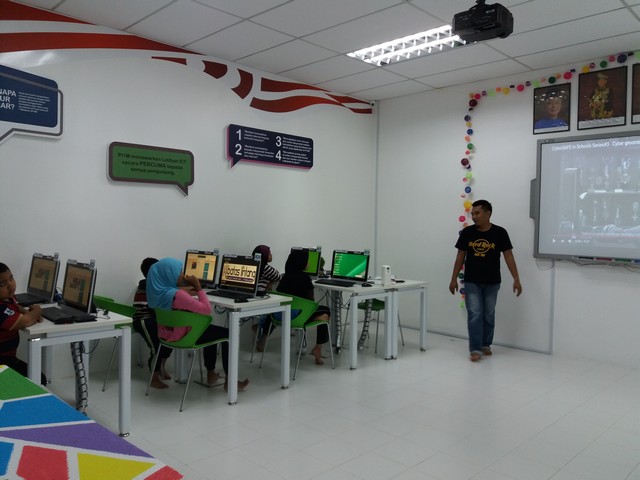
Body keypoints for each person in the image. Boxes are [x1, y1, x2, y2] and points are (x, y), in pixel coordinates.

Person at [146, 257, 248, 390]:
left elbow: (179, 296)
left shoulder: (156, 292)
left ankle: (211, 373)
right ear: (169, 274)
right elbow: (206, 309)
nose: (182, 274)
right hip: (185, 336)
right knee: (228, 334)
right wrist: (199, 287)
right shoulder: (177, 295)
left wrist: (187, 289)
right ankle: (230, 381)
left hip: (167, 334)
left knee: (210, 330)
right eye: (179, 272)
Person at [449, 200, 522, 362]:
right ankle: (475, 348)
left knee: (488, 314)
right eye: (472, 214)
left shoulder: (500, 233)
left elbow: (508, 256)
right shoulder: (467, 232)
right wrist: (453, 278)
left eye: (477, 213)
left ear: (488, 214)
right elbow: (460, 256)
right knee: (475, 314)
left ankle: (485, 344)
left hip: (492, 281)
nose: (474, 216)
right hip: (471, 281)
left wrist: (516, 278)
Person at [276, 249, 331, 365]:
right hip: (299, 317)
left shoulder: (284, 277)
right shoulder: (305, 279)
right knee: (326, 311)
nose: (309, 263)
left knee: (320, 314)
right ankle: (318, 348)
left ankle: (313, 345)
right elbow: (311, 302)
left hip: (281, 316)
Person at [0, 262, 46, 383]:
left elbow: (16, 307)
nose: (10, 285)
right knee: (39, 379)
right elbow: (26, 321)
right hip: (3, 361)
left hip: (7, 358)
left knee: (37, 376)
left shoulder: (8, 298)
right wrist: (37, 310)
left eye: (11, 278)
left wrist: (27, 312)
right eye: (3, 284)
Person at [133, 257, 174, 389]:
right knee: (156, 346)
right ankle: (154, 377)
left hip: (155, 318)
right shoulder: (149, 285)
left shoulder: (154, 284)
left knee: (171, 337)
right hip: (143, 320)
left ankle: (161, 366)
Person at [251, 245, 282, 351]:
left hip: (250, 297)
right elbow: (279, 277)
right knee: (276, 311)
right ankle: (261, 331)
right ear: (264, 256)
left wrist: (269, 281)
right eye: (269, 253)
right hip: (260, 299)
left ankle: (260, 328)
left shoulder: (252, 264)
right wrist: (271, 280)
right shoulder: (266, 268)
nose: (271, 255)